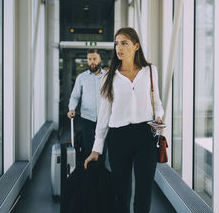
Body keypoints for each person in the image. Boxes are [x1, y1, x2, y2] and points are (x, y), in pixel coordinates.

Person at [84, 27, 165, 213]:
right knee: (121, 192)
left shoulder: (150, 71)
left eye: (124, 43)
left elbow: (157, 102)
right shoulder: (108, 76)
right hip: (119, 138)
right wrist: (96, 149)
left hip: (146, 135)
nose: (118, 47)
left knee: (144, 193)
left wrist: (159, 115)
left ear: (136, 46)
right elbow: (104, 114)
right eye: (117, 43)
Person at [67, 48, 107, 159]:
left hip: (104, 119)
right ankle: (89, 174)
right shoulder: (81, 77)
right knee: (89, 149)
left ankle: (101, 174)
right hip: (87, 119)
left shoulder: (107, 76)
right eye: (89, 59)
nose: (92, 61)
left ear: (100, 59)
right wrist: (71, 109)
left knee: (102, 150)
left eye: (94, 59)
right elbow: (75, 96)